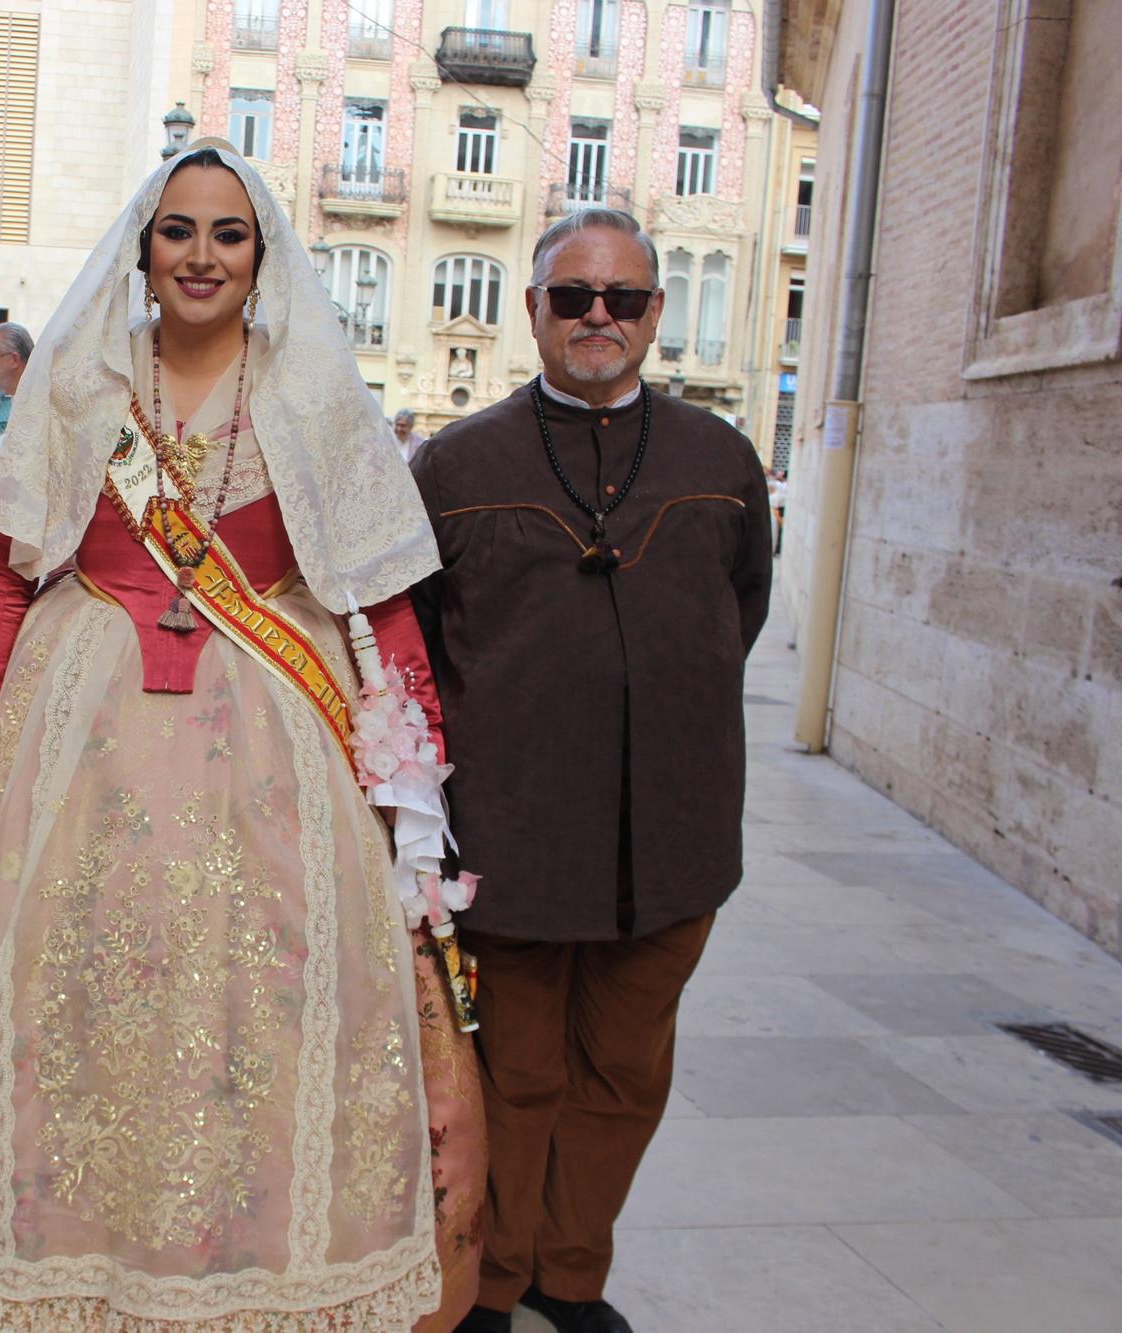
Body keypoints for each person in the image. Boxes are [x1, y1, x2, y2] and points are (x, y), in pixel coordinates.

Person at [0, 140, 483, 1329]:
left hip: (269, 737)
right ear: (142, 250)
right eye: (178, 231)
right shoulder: (83, 380)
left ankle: (242, 1269)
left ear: (260, 257)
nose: (200, 255)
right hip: (80, 732)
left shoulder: (307, 391)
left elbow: (379, 603)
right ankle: (76, 1262)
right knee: (75, 994)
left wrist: (413, 795)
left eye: (227, 234)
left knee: (261, 996)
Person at [409, 209, 772, 1333]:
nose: (598, 317)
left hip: (670, 835)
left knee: (622, 1077)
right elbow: (418, 645)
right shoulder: (455, 464)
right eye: (573, 298)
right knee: (512, 1077)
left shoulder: (721, 461)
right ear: (534, 312)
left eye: (621, 297)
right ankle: (496, 1279)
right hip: (514, 841)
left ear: (654, 313)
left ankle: (571, 1278)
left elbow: (740, 611)